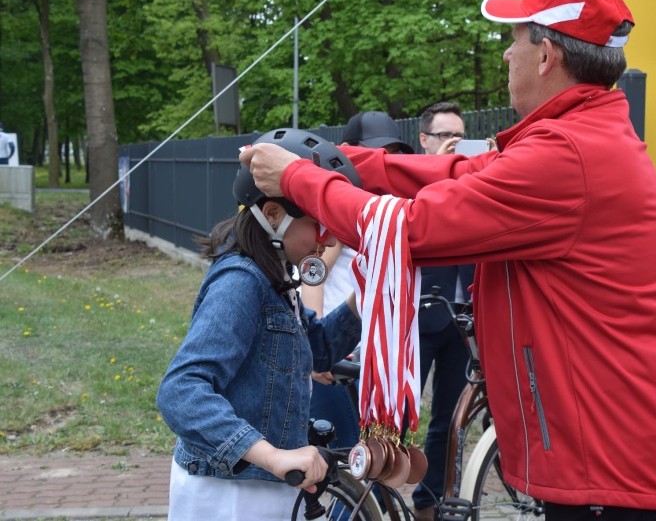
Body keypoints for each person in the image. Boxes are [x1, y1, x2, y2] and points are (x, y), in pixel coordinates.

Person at [241, 0, 656, 520]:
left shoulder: (566, 154)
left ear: (547, 56)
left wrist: (298, 178)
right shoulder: (576, 137)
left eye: (515, 38)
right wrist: (334, 161)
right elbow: (449, 174)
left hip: (621, 476)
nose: (505, 55)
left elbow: (413, 228)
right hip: (621, 459)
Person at [156, 129, 362, 521]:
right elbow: (181, 390)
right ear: (273, 214)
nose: (330, 238)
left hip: (266, 484)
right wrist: (271, 455)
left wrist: (363, 300)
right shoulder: (242, 281)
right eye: (320, 222)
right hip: (230, 495)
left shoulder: (276, 277)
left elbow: (312, 350)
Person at [301, 110, 413, 453]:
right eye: (376, 151)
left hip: (374, 357)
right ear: (348, 151)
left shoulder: (384, 204)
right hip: (339, 358)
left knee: (378, 462)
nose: (385, 160)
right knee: (350, 462)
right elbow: (313, 270)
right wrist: (315, 341)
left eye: (392, 153)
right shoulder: (345, 204)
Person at [409, 101, 476, 521]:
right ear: (424, 140)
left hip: (462, 315)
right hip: (421, 312)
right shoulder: (414, 180)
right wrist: (438, 169)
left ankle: (429, 504)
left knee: (449, 421)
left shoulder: (471, 178)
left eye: (459, 136)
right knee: (397, 412)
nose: (453, 143)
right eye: (444, 136)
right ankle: (378, 493)